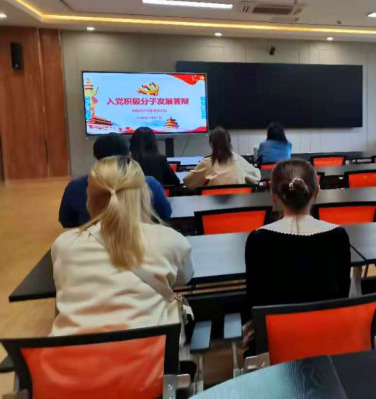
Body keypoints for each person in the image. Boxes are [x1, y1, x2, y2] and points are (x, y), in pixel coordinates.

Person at [52, 156, 193, 336]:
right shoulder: (170, 240)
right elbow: (184, 277)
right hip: (151, 350)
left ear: (90, 197)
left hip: (76, 352)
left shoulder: (64, 245)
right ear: (144, 194)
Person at [245, 159, 350, 309]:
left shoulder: (257, 240)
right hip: (327, 323)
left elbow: (254, 302)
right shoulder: (339, 236)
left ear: (274, 195)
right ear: (316, 192)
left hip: (276, 324)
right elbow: (342, 294)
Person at [59, 133, 172, 228]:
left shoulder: (75, 186)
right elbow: (165, 214)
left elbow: (66, 221)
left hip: (91, 242)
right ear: (129, 155)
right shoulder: (149, 184)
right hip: (142, 242)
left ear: (96, 156)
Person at [184, 127, 261, 189]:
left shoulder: (207, 163)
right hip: (239, 203)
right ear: (229, 142)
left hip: (212, 203)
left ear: (212, 144)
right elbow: (257, 176)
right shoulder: (239, 160)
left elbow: (188, 182)